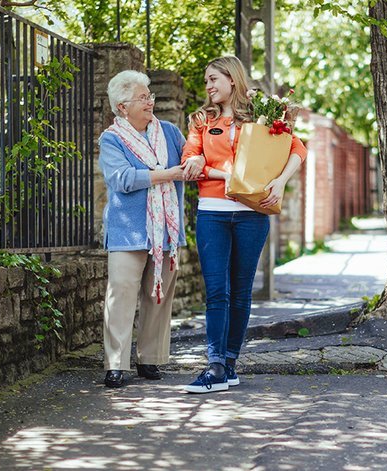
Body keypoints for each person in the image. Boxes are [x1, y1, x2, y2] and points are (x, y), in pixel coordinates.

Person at [180, 56, 307, 393]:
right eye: (206, 81)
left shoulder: (262, 115)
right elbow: (191, 162)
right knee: (217, 292)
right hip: (212, 212)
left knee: (240, 292)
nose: (208, 86)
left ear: (232, 80)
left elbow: (297, 147)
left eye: (213, 79)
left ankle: (230, 363)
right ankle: (215, 364)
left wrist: (279, 183)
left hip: (253, 214)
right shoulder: (201, 121)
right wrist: (213, 168)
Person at [98, 70, 190, 388]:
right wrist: (165, 174)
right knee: (120, 295)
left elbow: (193, 157)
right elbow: (121, 179)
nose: (150, 101)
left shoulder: (170, 133)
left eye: (150, 95)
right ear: (123, 106)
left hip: (165, 230)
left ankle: (149, 358)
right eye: (143, 97)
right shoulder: (111, 139)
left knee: (158, 297)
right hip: (127, 230)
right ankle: (115, 363)